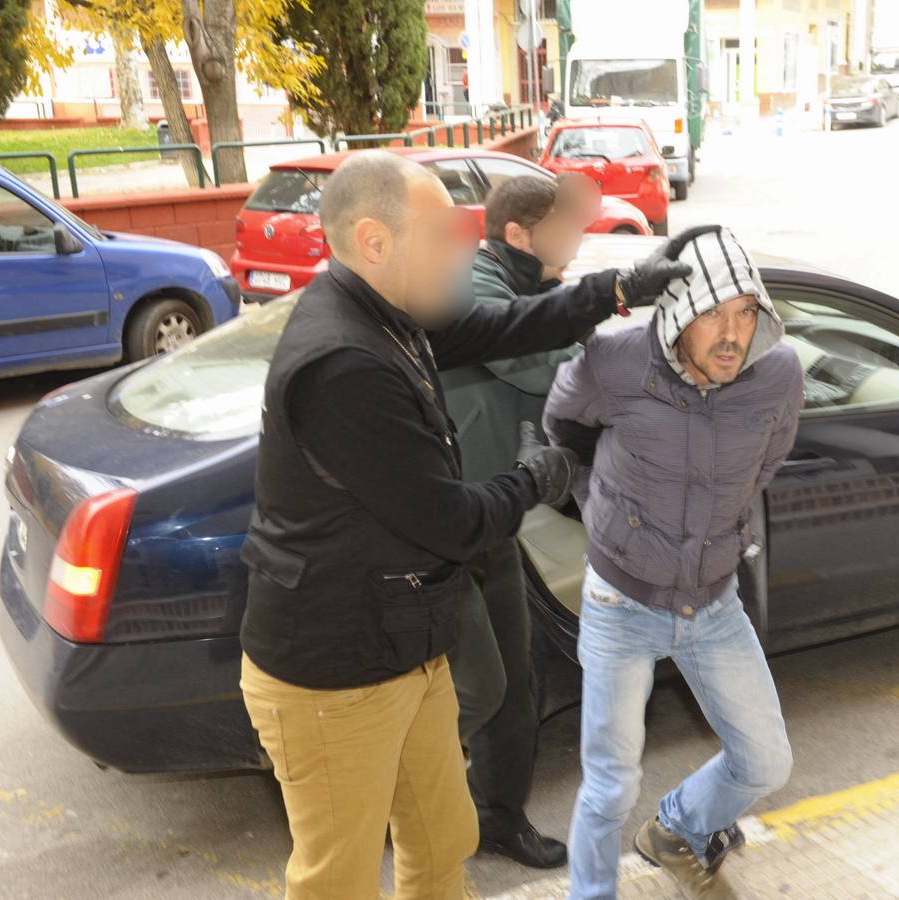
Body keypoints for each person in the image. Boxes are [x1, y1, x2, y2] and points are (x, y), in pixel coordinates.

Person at [237, 150, 693, 900]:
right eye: (443, 234)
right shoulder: (344, 362)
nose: (462, 250)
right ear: (376, 243)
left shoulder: (386, 313)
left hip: (402, 646)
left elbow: (503, 326)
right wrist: (535, 478)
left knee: (442, 841)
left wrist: (614, 288)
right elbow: (449, 521)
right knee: (337, 882)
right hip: (333, 674)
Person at [544, 226, 804, 899]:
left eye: (746, 312)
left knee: (767, 760)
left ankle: (679, 827)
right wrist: (598, 511)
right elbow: (563, 429)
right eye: (713, 312)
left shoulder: (778, 375)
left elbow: (765, 463)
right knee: (610, 783)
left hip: (713, 604)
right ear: (676, 313)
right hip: (619, 605)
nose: (732, 334)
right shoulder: (613, 363)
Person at [440, 173, 599, 869]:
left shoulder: (526, 284)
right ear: (516, 234)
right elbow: (545, 370)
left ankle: (497, 817)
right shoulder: (476, 290)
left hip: (494, 519)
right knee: (470, 689)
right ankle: (408, 799)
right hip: (444, 527)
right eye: (565, 229)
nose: (578, 240)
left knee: (514, 679)